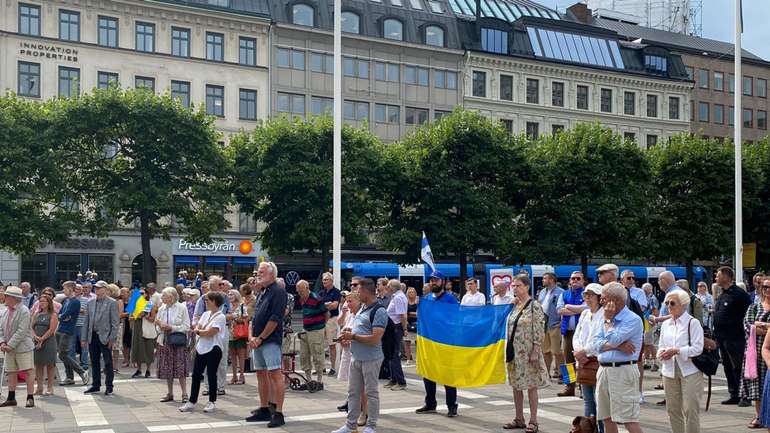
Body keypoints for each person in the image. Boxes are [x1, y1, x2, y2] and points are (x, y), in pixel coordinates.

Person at [332, 278, 389, 433]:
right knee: (353, 392)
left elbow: (375, 338)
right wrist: (350, 333)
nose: (357, 292)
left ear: (365, 291)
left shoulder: (379, 311)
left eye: (358, 290)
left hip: (371, 358)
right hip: (356, 357)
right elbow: (361, 330)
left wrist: (353, 337)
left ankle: (371, 425)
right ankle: (350, 424)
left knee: (371, 392)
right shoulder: (363, 309)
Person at [589, 282, 644, 433]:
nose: (601, 301)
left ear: (615, 300)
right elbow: (595, 344)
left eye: (604, 298)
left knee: (628, 419)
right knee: (606, 417)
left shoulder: (632, 319)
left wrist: (608, 322)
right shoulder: (604, 317)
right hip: (604, 371)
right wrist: (619, 345)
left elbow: (610, 340)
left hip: (623, 371)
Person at [245, 261, 288, 428]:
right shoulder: (263, 292)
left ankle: (278, 412)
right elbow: (254, 318)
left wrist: (260, 338)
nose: (258, 274)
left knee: (275, 374)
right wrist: (251, 337)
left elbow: (275, 319)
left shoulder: (278, 291)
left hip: (269, 341)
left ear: (272, 274)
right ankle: (264, 408)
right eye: (258, 272)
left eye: (262, 271)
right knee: (261, 374)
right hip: (258, 340)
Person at [503, 275, 548, 433]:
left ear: (527, 287)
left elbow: (539, 328)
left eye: (519, 286)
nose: (515, 288)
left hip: (528, 352)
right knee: (516, 386)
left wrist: (536, 350)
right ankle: (519, 418)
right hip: (515, 352)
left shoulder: (534, 305)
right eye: (513, 286)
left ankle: (534, 420)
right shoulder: (515, 305)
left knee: (531, 386)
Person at [656, 289, 703, 433]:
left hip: (690, 370)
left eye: (672, 303)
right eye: (666, 303)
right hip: (669, 370)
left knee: (690, 409)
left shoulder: (693, 323)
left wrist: (677, 351)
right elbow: (661, 346)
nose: (668, 306)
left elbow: (697, 348)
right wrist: (661, 354)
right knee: (673, 409)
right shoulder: (666, 324)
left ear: (683, 304)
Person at [416, 271, 459, 417]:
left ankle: (452, 405)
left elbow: (455, 319)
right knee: (428, 373)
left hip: (446, 342)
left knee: (448, 375)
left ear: (443, 282)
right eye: (432, 280)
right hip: (429, 342)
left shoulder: (450, 299)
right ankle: (430, 404)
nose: (433, 282)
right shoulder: (427, 298)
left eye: (436, 280)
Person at [180, 291, 227, 413]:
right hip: (201, 347)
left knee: (211, 374)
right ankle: (192, 401)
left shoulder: (221, 316)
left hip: (214, 348)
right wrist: (199, 330)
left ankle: (212, 401)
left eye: (208, 300)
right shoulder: (206, 314)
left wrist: (199, 331)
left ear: (215, 302)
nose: (205, 302)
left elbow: (211, 332)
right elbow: (198, 326)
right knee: (196, 375)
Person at [713, 266, 753, 405]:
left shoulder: (739, 294)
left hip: (735, 337)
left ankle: (745, 396)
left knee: (739, 367)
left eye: (718, 275)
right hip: (722, 337)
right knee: (727, 366)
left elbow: (749, 314)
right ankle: (734, 393)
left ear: (726, 276)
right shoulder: (722, 293)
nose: (715, 277)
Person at [573, 283, 605, 433]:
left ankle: (602, 429)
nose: (587, 298)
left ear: (599, 298)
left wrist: (584, 352)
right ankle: (588, 429)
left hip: (597, 360)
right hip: (583, 360)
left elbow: (599, 339)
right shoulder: (585, 313)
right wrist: (579, 352)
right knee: (587, 399)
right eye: (585, 295)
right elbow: (577, 335)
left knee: (600, 401)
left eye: (591, 295)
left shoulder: (604, 314)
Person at [81, 281, 120, 395]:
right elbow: (86, 322)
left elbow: (115, 323)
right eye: (96, 288)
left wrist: (112, 338)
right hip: (93, 335)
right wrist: (84, 338)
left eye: (99, 288)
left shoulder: (112, 303)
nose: (96, 290)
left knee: (108, 362)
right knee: (94, 361)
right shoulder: (90, 302)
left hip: (105, 336)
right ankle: (96, 384)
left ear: (105, 289)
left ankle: (109, 385)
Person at [0, 286, 36, 407]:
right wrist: (2, 342)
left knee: (28, 371)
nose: (4, 297)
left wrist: (9, 345)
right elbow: (0, 328)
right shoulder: (5, 311)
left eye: (6, 295)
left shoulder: (24, 311)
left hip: (23, 347)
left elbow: (21, 331)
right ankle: (11, 398)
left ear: (14, 298)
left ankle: (30, 397)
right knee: (11, 371)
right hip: (8, 348)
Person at [155, 287, 191, 403]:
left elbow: (186, 326)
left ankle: (184, 393)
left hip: (178, 341)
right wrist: (160, 327)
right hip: (164, 340)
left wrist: (172, 327)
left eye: (164, 296)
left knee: (180, 367)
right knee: (167, 368)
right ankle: (170, 393)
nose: (162, 297)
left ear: (171, 297)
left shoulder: (182, 308)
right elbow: (157, 324)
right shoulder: (162, 308)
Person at [743, 278, 770, 427]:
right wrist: (766, 328)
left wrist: (761, 325)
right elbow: (748, 326)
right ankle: (759, 416)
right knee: (757, 385)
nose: (766, 289)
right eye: (764, 286)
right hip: (756, 352)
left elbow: (756, 327)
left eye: (769, 287)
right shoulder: (754, 307)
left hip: (769, 351)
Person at [557, 271, 586, 397]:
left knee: (582, 360)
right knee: (568, 361)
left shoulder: (587, 294)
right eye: (572, 278)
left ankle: (583, 387)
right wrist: (578, 309)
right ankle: (569, 387)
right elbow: (559, 310)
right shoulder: (564, 294)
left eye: (578, 278)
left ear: (583, 280)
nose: (575, 280)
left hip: (582, 333)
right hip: (567, 332)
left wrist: (569, 309)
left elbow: (587, 308)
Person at [57, 281, 90, 386]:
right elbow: (61, 314)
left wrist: (62, 316)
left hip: (68, 330)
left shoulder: (75, 302)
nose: (63, 290)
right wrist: (62, 316)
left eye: (65, 288)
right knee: (64, 354)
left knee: (63, 354)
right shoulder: (66, 300)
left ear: (71, 289)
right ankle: (69, 377)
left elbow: (64, 315)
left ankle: (81, 372)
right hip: (61, 329)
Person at [297, 279, 328, 386]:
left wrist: (322, 326)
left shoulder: (316, 299)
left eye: (301, 291)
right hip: (306, 329)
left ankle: (319, 380)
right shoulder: (302, 299)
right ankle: (308, 379)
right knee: (304, 355)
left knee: (317, 354)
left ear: (307, 288)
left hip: (316, 329)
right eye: (298, 291)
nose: (300, 293)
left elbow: (326, 313)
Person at [537, 271, 564, 381]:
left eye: (545, 278)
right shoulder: (542, 292)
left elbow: (563, 306)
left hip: (555, 324)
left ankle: (562, 375)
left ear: (552, 280)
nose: (543, 280)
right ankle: (546, 374)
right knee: (545, 351)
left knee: (557, 352)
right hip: (544, 324)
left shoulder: (561, 292)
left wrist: (562, 321)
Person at [32, 294, 58, 396]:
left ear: (49, 303)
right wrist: (35, 337)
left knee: (50, 365)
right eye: (40, 301)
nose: (42, 303)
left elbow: (52, 330)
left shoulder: (53, 314)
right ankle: (39, 387)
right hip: (36, 341)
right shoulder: (36, 314)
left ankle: (50, 387)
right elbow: (31, 327)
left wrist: (42, 339)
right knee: (38, 365)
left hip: (49, 342)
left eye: (44, 301)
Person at [385, 279, 407, 391]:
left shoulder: (398, 298)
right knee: (391, 353)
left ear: (392, 288)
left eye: (388, 286)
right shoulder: (397, 296)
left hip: (395, 328)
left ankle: (401, 381)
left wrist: (404, 329)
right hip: (393, 327)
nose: (386, 288)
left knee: (394, 354)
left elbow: (402, 315)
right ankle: (393, 379)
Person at [131, 288, 157, 378]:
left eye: (142, 293)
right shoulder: (135, 303)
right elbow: (131, 315)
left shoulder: (149, 304)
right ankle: (138, 369)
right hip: (137, 327)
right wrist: (133, 316)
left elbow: (153, 318)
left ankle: (148, 369)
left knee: (148, 347)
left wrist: (144, 315)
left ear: (146, 294)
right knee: (137, 347)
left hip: (146, 327)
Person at [320, 272, 342, 377]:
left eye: (326, 279)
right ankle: (322, 367)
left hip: (331, 320)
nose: (324, 281)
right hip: (321, 320)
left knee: (332, 345)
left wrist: (324, 306)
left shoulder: (336, 292)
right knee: (320, 345)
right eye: (323, 279)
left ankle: (333, 367)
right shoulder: (321, 292)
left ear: (331, 281)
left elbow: (335, 306)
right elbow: (318, 306)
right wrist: (327, 305)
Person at [227, 289, 249, 385]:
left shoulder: (242, 306)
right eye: (229, 295)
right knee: (232, 356)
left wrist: (234, 318)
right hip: (230, 333)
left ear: (236, 295)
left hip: (240, 333)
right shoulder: (228, 306)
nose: (229, 296)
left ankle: (242, 376)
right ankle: (234, 376)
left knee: (241, 356)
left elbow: (246, 318)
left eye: (231, 294)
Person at [642, 283, 660, 372]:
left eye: (644, 289)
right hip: (645, 321)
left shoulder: (652, 298)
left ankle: (655, 363)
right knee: (646, 342)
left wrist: (652, 321)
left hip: (648, 321)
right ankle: (647, 362)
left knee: (649, 342)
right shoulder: (646, 297)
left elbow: (655, 311)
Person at [405, 287, 419, 365]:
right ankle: (408, 359)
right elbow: (404, 313)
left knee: (417, 342)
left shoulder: (418, 302)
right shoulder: (406, 302)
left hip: (417, 324)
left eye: (412, 292)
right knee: (407, 342)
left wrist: (410, 313)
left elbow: (418, 314)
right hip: (407, 323)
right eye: (409, 292)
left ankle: (417, 359)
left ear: (415, 293)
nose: (411, 293)